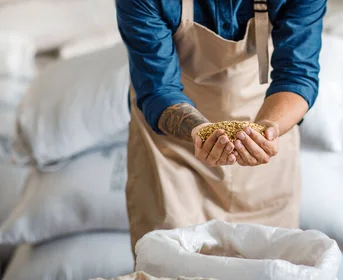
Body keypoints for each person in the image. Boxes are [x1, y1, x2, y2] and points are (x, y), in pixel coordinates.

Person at [116, 0, 325, 254]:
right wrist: (200, 132)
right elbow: (158, 90)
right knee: (171, 264)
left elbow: (298, 74)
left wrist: (268, 128)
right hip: (173, 160)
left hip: (263, 155)